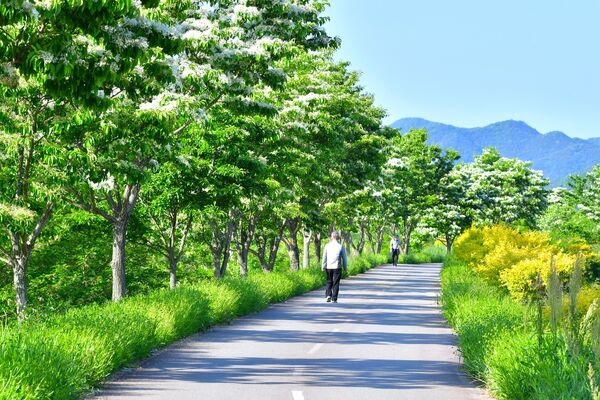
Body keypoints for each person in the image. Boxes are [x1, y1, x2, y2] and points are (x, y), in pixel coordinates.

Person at [321, 231, 348, 303]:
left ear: (331, 237)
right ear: (338, 238)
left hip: (329, 267)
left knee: (329, 281)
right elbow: (344, 258)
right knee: (336, 283)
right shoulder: (340, 246)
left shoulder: (327, 246)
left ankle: (328, 295)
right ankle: (334, 298)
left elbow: (324, 257)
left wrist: (323, 266)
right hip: (337, 267)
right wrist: (345, 267)